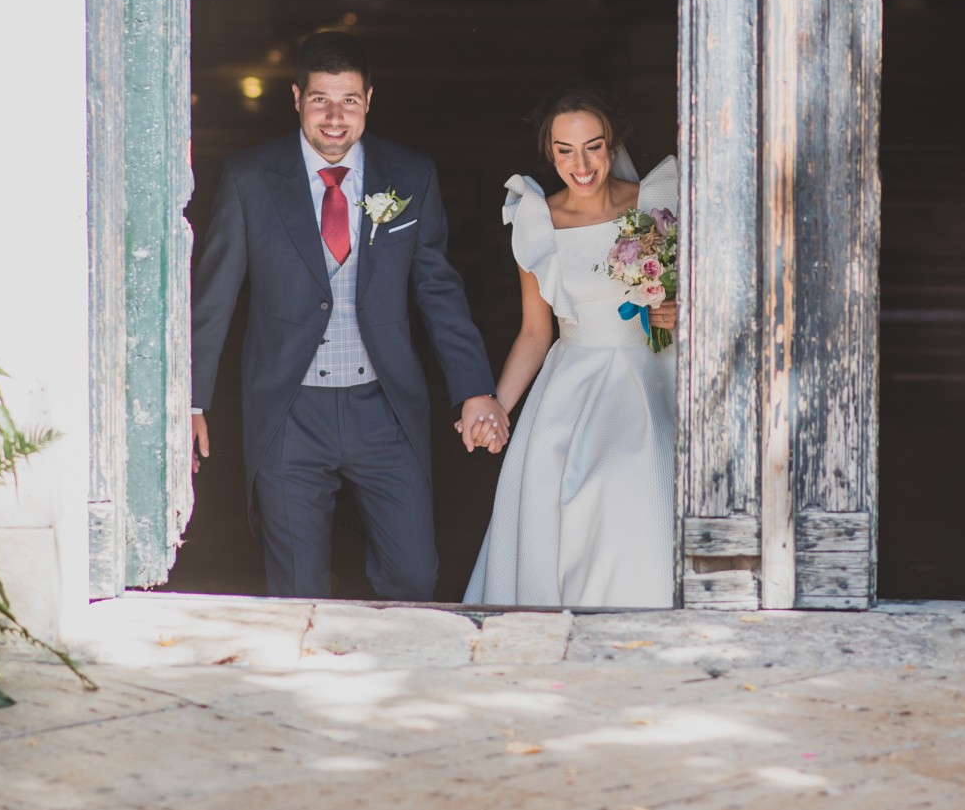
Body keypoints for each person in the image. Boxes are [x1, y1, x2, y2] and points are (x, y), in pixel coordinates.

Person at [187, 31, 507, 601]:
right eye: (320, 100)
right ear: (296, 99)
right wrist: (190, 400)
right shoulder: (250, 178)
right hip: (290, 410)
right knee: (297, 589)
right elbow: (213, 299)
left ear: (369, 100)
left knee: (413, 574)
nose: (335, 118)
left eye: (349, 101)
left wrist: (474, 389)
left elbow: (439, 290)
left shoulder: (410, 175)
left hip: (383, 408)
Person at [462, 82, 679, 608]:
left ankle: (641, 618)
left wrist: (683, 313)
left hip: (649, 373)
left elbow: (710, 295)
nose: (580, 164)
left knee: (628, 483)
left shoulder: (657, 203)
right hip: (574, 381)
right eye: (564, 150)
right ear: (549, 152)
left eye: (593, 146)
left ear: (612, 142)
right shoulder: (539, 222)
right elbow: (535, 332)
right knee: (564, 498)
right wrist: (498, 407)